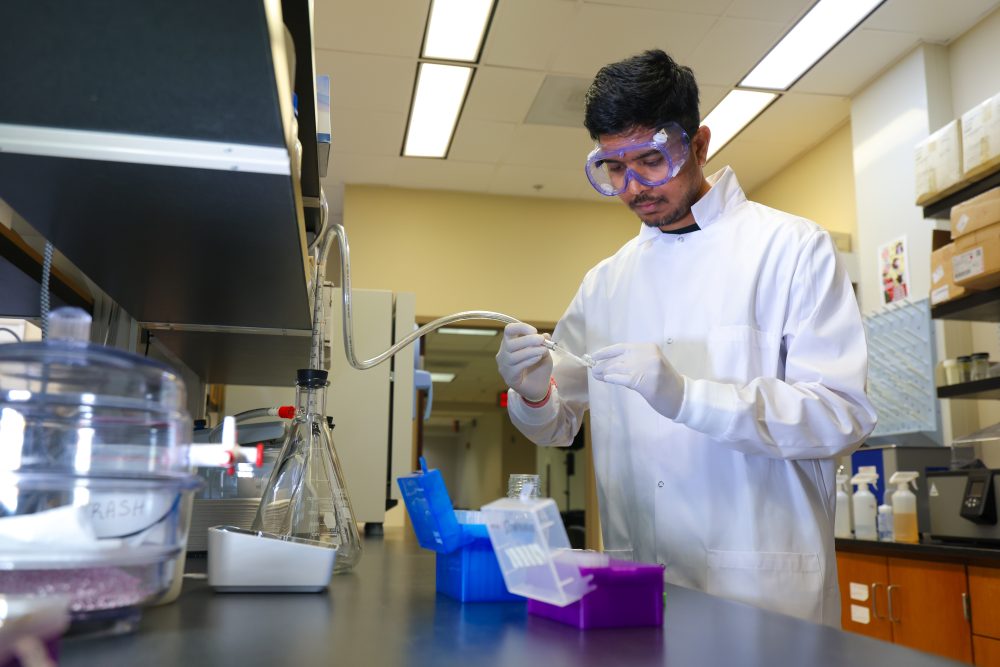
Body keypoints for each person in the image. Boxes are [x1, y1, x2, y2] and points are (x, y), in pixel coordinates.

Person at [495, 49, 877, 627]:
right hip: (638, 588)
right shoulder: (605, 283)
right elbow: (557, 425)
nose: (633, 186)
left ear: (698, 145)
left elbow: (841, 415)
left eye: (651, 159)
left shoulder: (792, 250)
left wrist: (688, 397)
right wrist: (531, 393)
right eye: (613, 168)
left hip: (764, 599)